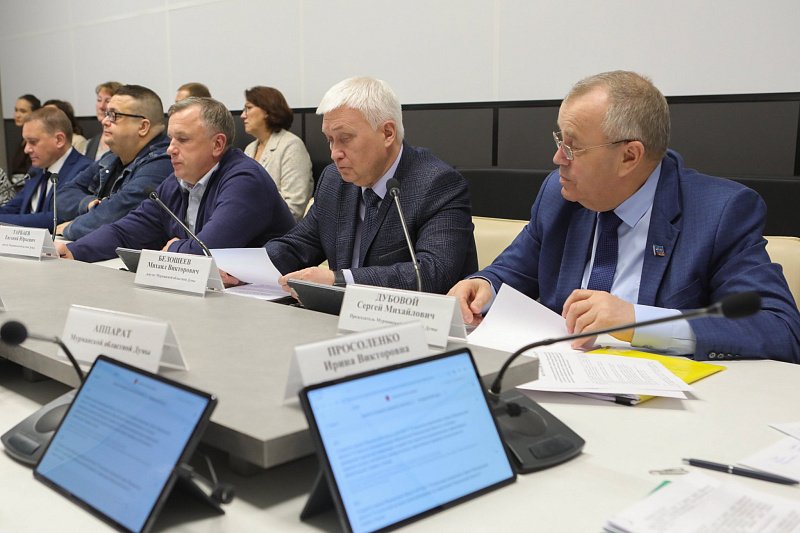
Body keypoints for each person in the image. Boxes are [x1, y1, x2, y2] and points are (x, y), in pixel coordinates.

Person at [448, 70, 800, 364]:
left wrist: (636, 321)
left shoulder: (719, 212)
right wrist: (483, 285)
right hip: (559, 373)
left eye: (573, 147)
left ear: (630, 156)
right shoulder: (561, 195)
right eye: (559, 141)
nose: (558, 159)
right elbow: (514, 271)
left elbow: (779, 329)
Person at [261, 76, 477, 294]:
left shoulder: (437, 184)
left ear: (387, 133)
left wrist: (339, 280)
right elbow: (297, 247)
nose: (334, 153)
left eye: (345, 138)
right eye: (330, 140)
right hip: (336, 313)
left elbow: (433, 273)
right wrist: (247, 267)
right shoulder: (334, 180)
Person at [58, 97, 296, 262]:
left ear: (217, 144)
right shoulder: (176, 182)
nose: (170, 149)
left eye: (182, 139)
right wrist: (74, 252)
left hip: (274, 302)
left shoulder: (244, 180)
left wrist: (173, 247)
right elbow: (125, 232)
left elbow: (205, 252)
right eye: (171, 138)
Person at [56, 84, 173, 241]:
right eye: (106, 114)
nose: (104, 121)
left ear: (143, 127)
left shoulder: (162, 162)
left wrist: (70, 227)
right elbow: (61, 196)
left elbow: (112, 216)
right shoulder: (112, 157)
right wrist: (89, 204)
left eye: (114, 115)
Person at [0, 107, 91, 227]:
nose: (26, 150)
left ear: (59, 140)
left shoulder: (84, 170)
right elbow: (14, 207)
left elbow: (56, 218)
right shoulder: (36, 170)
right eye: (25, 142)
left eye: (33, 142)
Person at [241, 86, 313, 220]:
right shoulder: (249, 149)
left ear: (267, 111)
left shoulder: (291, 145)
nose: (243, 115)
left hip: (279, 229)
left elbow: (294, 208)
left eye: (248, 108)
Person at [4, 94, 42, 201]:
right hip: (17, 194)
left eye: (23, 111)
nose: (17, 115)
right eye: (16, 110)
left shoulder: (38, 141)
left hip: (30, 195)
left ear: (35, 113)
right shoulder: (21, 140)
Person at [85, 81, 123, 161]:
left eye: (108, 101)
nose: (101, 106)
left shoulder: (124, 141)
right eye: (99, 100)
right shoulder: (91, 143)